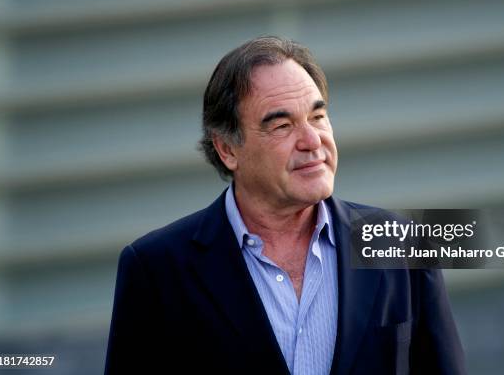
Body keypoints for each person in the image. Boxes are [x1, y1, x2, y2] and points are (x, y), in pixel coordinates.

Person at [104, 36, 466, 374]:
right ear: (227, 149)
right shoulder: (157, 269)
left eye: (317, 117)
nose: (312, 140)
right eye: (282, 126)